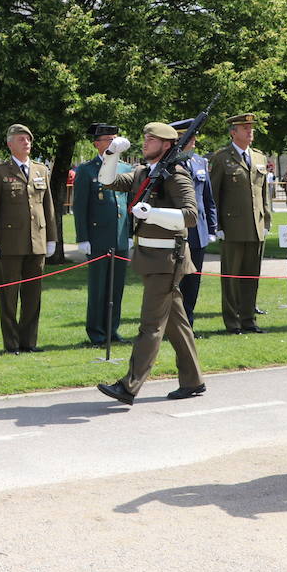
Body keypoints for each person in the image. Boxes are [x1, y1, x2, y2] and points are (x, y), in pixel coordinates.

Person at [95, 123, 206, 406]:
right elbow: (108, 181)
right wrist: (111, 155)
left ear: (167, 145)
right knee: (175, 323)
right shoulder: (144, 173)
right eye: (145, 138)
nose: (145, 143)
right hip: (150, 257)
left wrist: (153, 213)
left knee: (151, 326)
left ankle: (129, 386)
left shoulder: (176, 176)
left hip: (167, 259)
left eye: (151, 139)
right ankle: (193, 381)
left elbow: (190, 216)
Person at [0, 123, 55, 354]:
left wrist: (51, 238)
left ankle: (29, 342)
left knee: (33, 296)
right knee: (9, 297)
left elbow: (48, 206)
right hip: (10, 243)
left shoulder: (41, 170)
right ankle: (11, 344)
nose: (26, 143)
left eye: (28, 139)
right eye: (21, 139)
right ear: (10, 143)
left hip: (37, 242)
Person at [208, 112, 272, 333]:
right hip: (233, 228)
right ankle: (233, 322)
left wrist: (267, 219)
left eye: (251, 127)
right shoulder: (221, 158)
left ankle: (249, 319)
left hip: (256, 226)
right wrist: (217, 227)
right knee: (231, 278)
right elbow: (214, 195)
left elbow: (264, 193)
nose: (250, 131)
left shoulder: (259, 157)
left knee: (251, 277)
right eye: (245, 128)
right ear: (233, 132)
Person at [71, 123, 131, 347]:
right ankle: (96, 332)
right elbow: (80, 206)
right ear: (97, 144)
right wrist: (83, 237)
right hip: (97, 237)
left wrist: (130, 232)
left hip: (120, 236)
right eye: (108, 139)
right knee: (98, 288)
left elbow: (129, 204)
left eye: (115, 139)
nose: (112, 143)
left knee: (116, 288)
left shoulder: (125, 169)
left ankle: (111, 330)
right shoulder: (87, 170)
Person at [170, 118, 219, 332]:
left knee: (193, 284)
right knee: (174, 283)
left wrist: (211, 227)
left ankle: (188, 325)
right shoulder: (169, 164)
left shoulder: (200, 162)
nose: (194, 140)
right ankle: (172, 325)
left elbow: (208, 198)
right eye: (190, 137)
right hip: (176, 232)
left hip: (198, 232)